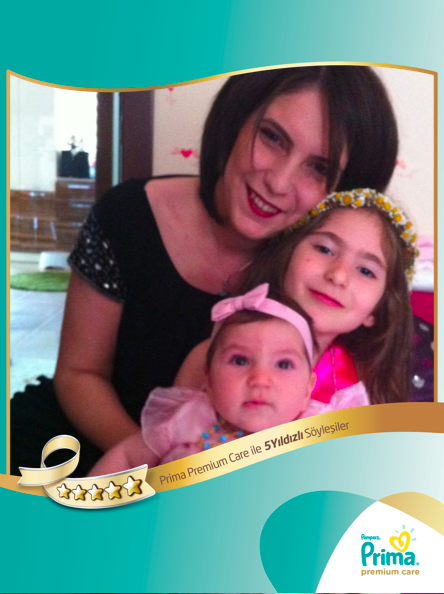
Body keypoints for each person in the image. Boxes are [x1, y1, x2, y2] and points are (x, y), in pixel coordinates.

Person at [10, 67, 399, 477]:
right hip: (84, 441)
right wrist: (163, 463)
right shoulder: (125, 217)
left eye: (319, 168)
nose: (279, 182)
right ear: (237, 119)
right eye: (273, 138)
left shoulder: (319, 272)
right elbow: (80, 373)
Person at [89, 284, 369, 475]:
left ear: (308, 388)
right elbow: (127, 457)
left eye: (284, 364)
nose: (260, 379)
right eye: (240, 361)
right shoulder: (189, 420)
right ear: (209, 380)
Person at [176, 189, 417, 405]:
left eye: (365, 271)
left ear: (377, 309)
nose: (338, 275)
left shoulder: (366, 391)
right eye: (324, 249)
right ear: (288, 255)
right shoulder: (218, 356)